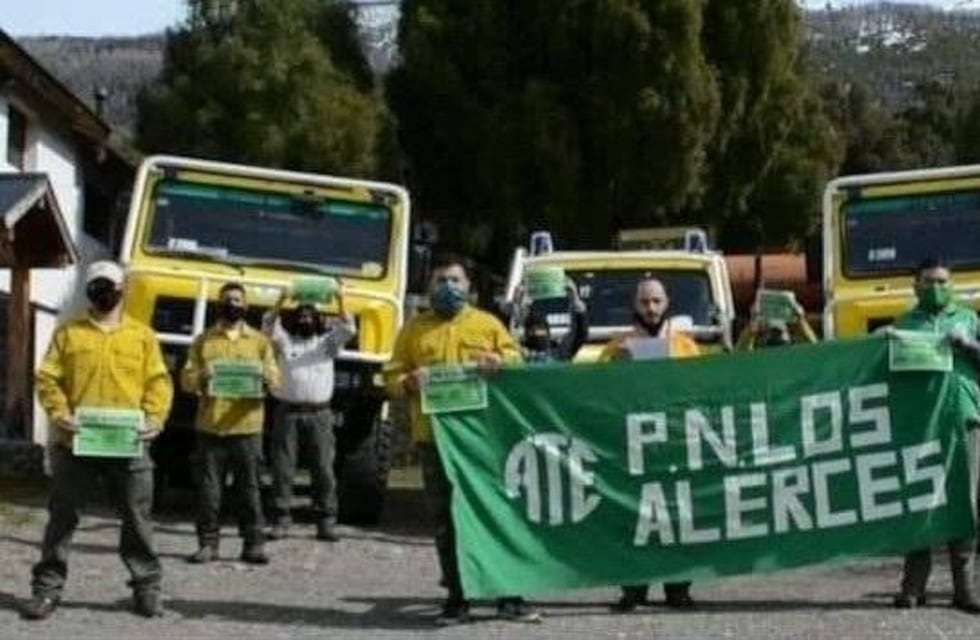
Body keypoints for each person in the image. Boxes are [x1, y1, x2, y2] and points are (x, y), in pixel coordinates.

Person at [384, 255, 540, 626]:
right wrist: (408, 382)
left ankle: (509, 596)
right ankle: (458, 597)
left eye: (455, 280)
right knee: (446, 521)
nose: (448, 287)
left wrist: (499, 361)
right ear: (430, 286)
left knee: (496, 514)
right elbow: (390, 377)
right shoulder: (413, 330)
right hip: (435, 440)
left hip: (483, 440)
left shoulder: (488, 324)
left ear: (469, 286)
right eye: (441, 280)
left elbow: (517, 361)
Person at [22, 261, 173, 620]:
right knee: (62, 518)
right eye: (96, 286)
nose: (103, 293)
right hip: (75, 443)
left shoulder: (142, 336)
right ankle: (46, 590)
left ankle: (146, 590)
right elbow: (47, 378)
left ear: (123, 289)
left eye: (109, 286)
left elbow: (158, 382)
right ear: (89, 291)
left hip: (129, 443)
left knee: (137, 518)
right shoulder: (69, 334)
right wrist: (60, 413)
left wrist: (154, 419)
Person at [600, 278, 700, 612]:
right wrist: (617, 365)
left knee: (678, 514)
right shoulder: (617, 347)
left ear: (667, 302)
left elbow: (700, 390)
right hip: (633, 444)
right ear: (635, 304)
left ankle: (678, 588)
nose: (651, 308)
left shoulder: (685, 346)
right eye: (645, 302)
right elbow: (593, 390)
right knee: (633, 515)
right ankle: (633, 589)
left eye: (656, 301)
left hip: (674, 441)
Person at [892, 258, 980, 613]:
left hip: (965, 419)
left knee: (965, 504)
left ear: (952, 284)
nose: (936, 288)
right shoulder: (904, 325)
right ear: (915, 286)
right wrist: (879, 345)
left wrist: (968, 345)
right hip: (921, 425)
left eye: (943, 281)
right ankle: (913, 588)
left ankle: (965, 591)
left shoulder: (970, 320)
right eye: (929, 282)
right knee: (920, 502)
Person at [181, 282, 280, 565]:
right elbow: (186, 381)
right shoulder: (203, 341)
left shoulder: (260, 342)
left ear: (246, 306)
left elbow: (275, 381)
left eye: (237, 300)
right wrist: (203, 374)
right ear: (218, 304)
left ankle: (253, 544)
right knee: (208, 493)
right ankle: (208, 544)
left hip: (247, 428)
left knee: (250, 490)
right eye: (227, 299)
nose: (232, 304)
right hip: (210, 427)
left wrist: (265, 378)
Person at [263, 285, 356, 542]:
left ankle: (326, 522)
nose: (305, 319)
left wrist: (340, 299)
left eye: (310, 316)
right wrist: (281, 298)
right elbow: (269, 324)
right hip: (287, 414)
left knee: (323, 469)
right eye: (301, 315)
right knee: (283, 469)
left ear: (318, 320)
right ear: (293, 319)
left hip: (320, 415)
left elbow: (348, 327)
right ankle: (280, 520)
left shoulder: (327, 345)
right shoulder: (284, 343)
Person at [505, 278, 589, 363]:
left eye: (540, 330)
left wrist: (575, 299)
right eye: (533, 330)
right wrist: (515, 305)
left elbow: (580, 333)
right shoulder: (519, 353)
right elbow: (507, 335)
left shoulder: (559, 354)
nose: (537, 333)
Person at [735, 296, 818, 351]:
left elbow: (814, 353)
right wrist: (752, 327)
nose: (775, 335)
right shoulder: (758, 358)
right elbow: (740, 358)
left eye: (777, 332)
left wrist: (800, 321)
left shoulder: (794, 357)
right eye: (773, 332)